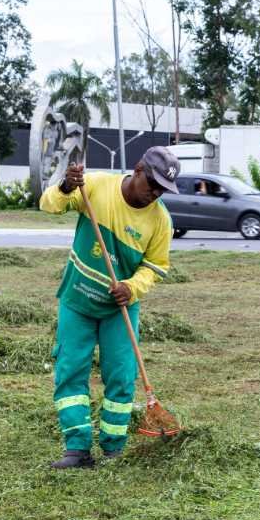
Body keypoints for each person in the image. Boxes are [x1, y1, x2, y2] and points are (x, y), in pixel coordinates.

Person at [39, 136, 177, 469]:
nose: (155, 193)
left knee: (120, 376)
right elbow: (49, 205)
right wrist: (65, 188)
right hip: (77, 302)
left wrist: (132, 287)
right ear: (138, 169)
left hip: (120, 310)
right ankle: (77, 448)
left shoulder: (161, 221)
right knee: (71, 371)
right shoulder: (96, 187)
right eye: (153, 184)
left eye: (162, 190)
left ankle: (114, 448)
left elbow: (155, 266)